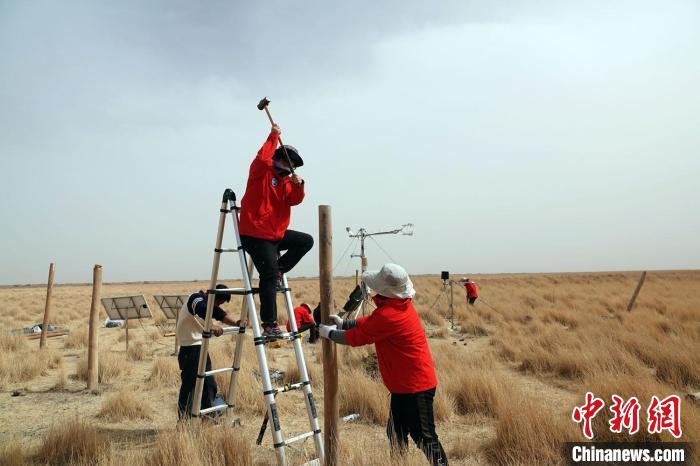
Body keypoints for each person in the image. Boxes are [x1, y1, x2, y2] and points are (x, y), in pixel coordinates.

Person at [319, 263, 448, 466]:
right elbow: (371, 322)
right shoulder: (398, 305)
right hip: (402, 387)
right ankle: (399, 462)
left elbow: (358, 337)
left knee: (425, 437)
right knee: (395, 432)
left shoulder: (391, 315)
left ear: (386, 292)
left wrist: (330, 334)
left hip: (416, 387)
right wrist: (344, 323)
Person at [239, 124, 313, 337]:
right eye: (286, 159)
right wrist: (274, 136)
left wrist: (299, 186)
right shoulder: (261, 171)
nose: (288, 165)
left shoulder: (286, 182)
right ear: (277, 156)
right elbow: (263, 158)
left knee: (305, 241)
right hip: (255, 233)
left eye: (292, 164)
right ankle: (269, 324)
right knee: (268, 275)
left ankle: (280, 268)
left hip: (275, 235)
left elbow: (294, 201)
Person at [177, 284, 243, 420]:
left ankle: (209, 417)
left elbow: (220, 314)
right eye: (219, 302)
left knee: (208, 384)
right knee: (190, 387)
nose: (218, 305)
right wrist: (212, 326)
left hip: (199, 347)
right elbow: (201, 309)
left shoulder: (209, 304)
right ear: (211, 296)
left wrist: (237, 323)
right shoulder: (196, 298)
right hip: (190, 349)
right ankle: (184, 421)